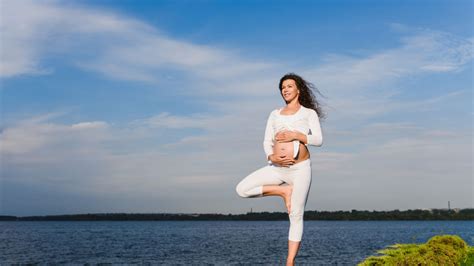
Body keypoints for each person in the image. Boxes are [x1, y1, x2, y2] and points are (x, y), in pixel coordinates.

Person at [235, 73, 326, 266]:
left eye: (289, 86)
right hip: (277, 167)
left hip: (300, 169)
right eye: (283, 87)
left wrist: (296, 134)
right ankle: (282, 191)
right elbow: (267, 141)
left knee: (296, 215)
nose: (285, 89)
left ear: (298, 89)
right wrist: (271, 156)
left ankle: (289, 261)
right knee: (241, 189)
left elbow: (318, 140)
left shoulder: (308, 113)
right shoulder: (274, 114)